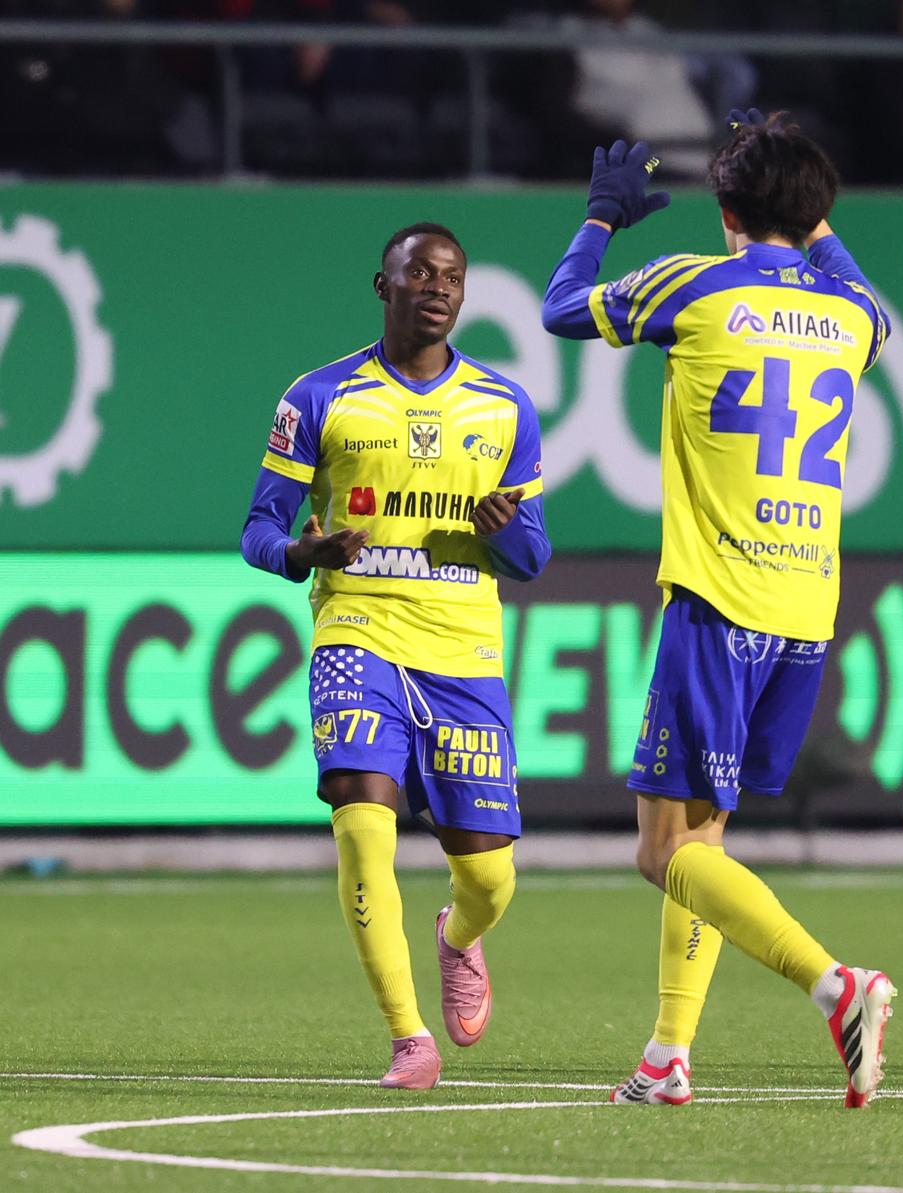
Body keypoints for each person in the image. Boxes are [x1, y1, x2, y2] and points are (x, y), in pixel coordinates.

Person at [539, 110, 896, 1109]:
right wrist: (810, 212)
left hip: (716, 598)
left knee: (664, 851)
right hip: (805, 608)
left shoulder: (697, 280)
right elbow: (862, 292)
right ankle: (666, 1055)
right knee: (706, 838)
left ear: (726, 209)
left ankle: (838, 984)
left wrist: (602, 220)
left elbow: (562, 309)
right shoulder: (852, 315)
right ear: (818, 212)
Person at [240, 222, 551, 1090]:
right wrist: (304, 555)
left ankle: (460, 935)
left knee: (491, 875)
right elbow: (259, 529)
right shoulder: (321, 396)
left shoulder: (504, 407)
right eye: (418, 271)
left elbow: (532, 559)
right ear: (383, 286)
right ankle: (409, 1036)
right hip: (356, 635)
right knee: (363, 822)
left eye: (451, 274)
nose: (437, 286)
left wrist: (508, 529)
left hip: (462, 649)